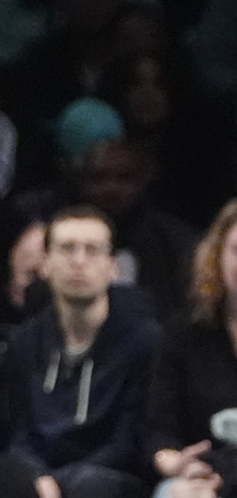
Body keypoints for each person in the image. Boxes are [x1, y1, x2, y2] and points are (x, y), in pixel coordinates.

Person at [3, 205, 158, 498]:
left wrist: (59, 483)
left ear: (114, 266)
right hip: (38, 480)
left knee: (92, 486)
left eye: (93, 250)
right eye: (66, 248)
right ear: (45, 264)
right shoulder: (23, 343)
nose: (78, 261)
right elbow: (18, 435)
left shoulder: (144, 342)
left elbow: (130, 442)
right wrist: (37, 479)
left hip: (111, 481)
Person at [145, 199, 237, 498]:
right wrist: (176, 465)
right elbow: (159, 431)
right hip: (201, 477)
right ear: (217, 257)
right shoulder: (184, 334)